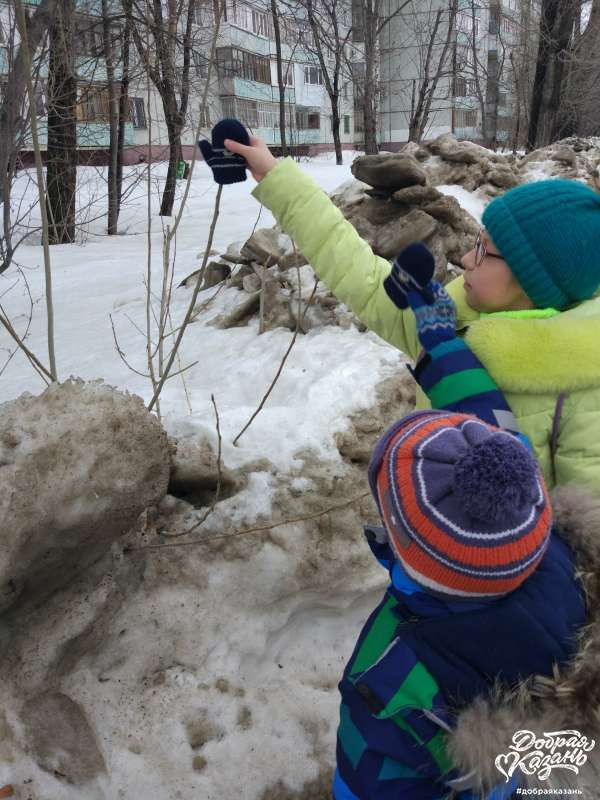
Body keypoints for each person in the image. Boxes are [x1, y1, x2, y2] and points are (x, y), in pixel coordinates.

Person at [329, 247, 589, 800]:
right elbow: (495, 427)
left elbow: (372, 776)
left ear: (410, 547)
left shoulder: (395, 672)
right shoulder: (563, 553)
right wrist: (440, 338)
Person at [222, 134, 600, 495]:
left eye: (485, 252)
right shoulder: (445, 322)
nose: (467, 258)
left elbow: (585, 546)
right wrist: (276, 177)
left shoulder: (585, 398)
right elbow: (359, 272)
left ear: (535, 280)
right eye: (475, 244)